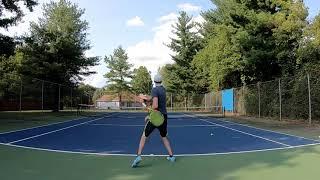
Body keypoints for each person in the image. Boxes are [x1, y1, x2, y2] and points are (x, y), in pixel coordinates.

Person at [131, 73, 175, 168]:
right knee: (164, 137)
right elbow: (153, 98)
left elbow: (155, 106)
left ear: (154, 81)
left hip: (155, 117)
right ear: (161, 81)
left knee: (144, 136)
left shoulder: (154, 90)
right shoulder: (163, 89)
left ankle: (138, 156)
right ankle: (171, 156)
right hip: (164, 117)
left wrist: (147, 112)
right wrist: (144, 97)